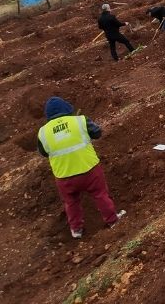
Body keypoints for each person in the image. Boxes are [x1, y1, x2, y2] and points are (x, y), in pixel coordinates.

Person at [37, 97, 125, 239]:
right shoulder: (79, 120)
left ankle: (76, 230)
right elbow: (97, 132)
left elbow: (43, 152)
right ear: (67, 109)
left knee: (71, 203)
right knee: (100, 194)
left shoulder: (43, 132)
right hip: (89, 169)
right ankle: (112, 220)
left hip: (64, 176)